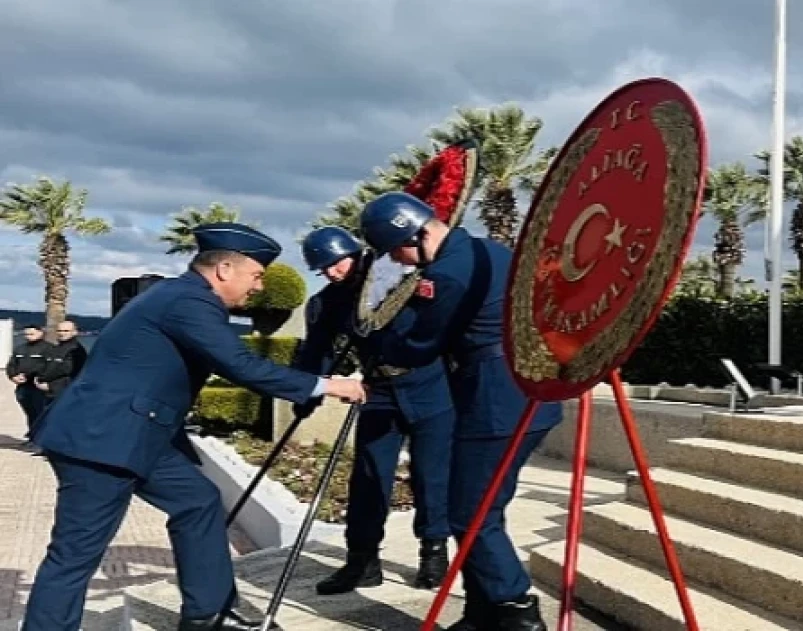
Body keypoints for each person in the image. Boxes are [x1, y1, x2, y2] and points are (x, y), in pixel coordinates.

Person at [21, 222, 368, 631]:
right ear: (223, 269)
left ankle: (210, 612)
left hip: (138, 433)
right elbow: (240, 365)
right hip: (102, 442)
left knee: (198, 500)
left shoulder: (180, 295)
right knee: (75, 555)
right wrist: (329, 385)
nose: (257, 287)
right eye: (255, 276)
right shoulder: (188, 301)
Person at [361, 191, 564, 631]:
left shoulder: (447, 272)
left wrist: (378, 341)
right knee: (473, 506)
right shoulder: (488, 249)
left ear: (413, 233)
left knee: (470, 513)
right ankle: (482, 611)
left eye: (395, 248)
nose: (398, 259)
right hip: (522, 390)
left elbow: (421, 344)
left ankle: (516, 611)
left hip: (496, 401)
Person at [291, 225, 453, 595]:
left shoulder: (401, 276)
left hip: (430, 384)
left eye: (336, 263)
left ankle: (434, 553)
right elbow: (318, 351)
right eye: (324, 269)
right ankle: (362, 561)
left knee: (433, 474)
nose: (333, 272)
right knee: (368, 477)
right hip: (378, 390)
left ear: (355, 252)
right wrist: (306, 395)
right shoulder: (328, 302)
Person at [7, 323, 53, 439]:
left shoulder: (49, 348)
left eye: (31, 334)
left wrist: (35, 376)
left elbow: (50, 367)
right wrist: (13, 376)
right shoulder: (20, 349)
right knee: (30, 412)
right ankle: (32, 435)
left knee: (40, 413)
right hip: (23, 387)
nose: (28, 336)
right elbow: (11, 365)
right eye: (26, 334)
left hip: (38, 387)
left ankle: (40, 439)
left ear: (40, 333)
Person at [38, 319, 88, 401]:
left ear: (75, 332)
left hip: (65, 395)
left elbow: (73, 374)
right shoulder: (55, 348)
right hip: (48, 394)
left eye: (66, 331)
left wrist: (51, 386)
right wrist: (38, 378)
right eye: (59, 331)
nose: (62, 333)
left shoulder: (76, 350)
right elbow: (47, 367)